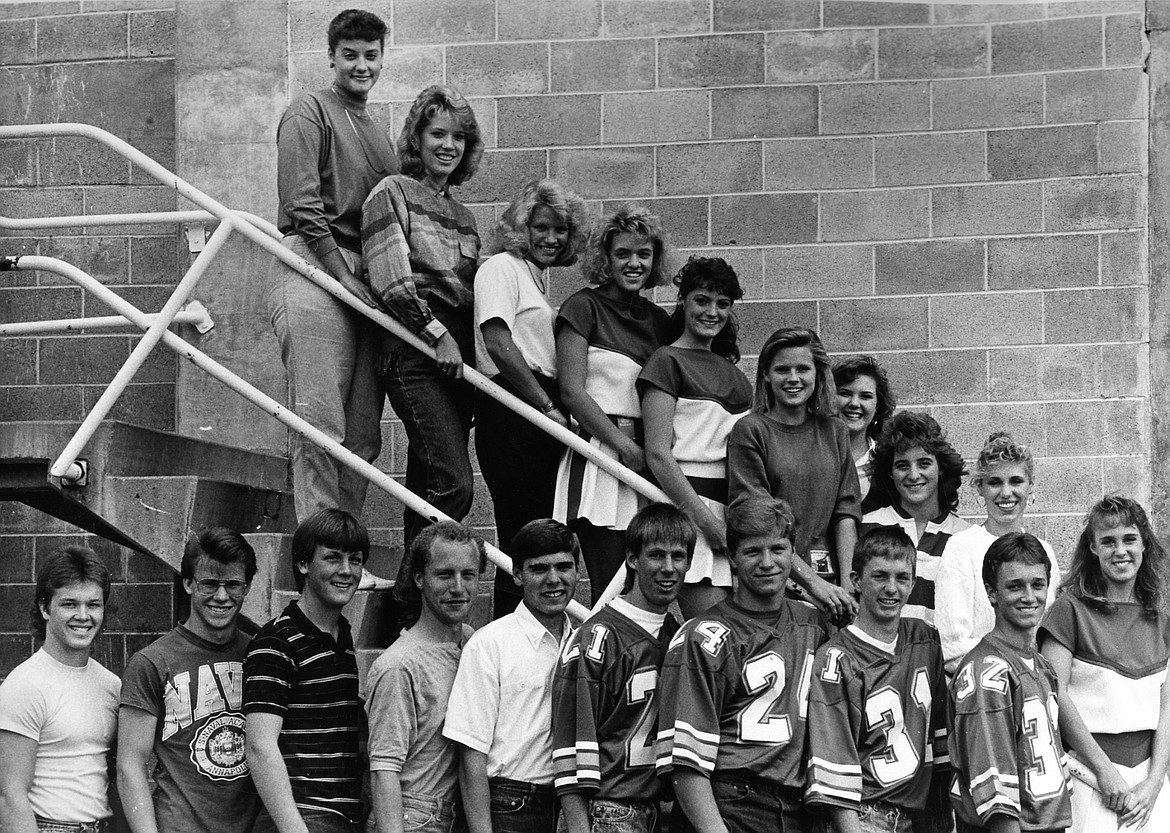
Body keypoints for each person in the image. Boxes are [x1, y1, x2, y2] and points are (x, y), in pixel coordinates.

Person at [270, 8, 395, 523]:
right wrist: (340, 276)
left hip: (369, 277)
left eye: (370, 55)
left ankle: (348, 550)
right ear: (331, 57)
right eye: (350, 56)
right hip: (315, 267)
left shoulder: (379, 131)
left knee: (363, 435)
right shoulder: (310, 111)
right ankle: (321, 549)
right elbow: (302, 204)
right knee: (321, 423)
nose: (360, 66)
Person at [657, 497, 830, 833]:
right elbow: (686, 762)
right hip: (731, 801)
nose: (767, 562)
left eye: (778, 549)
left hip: (798, 807)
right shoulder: (704, 636)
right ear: (733, 558)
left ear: (793, 553)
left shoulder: (814, 624)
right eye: (753, 551)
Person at [363, 84, 484, 552]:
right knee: (454, 484)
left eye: (458, 137)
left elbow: (471, 294)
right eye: (437, 133)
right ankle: (416, 595)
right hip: (417, 347)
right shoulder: (390, 192)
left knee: (425, 488)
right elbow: (392, 281)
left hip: (456, 358)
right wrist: (436, 334)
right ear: (417, 139)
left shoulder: (465, 217)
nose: (448, 146)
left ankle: (410, 611)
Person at [473, 179, 589, 617]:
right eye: (541, 227)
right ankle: (508, 629)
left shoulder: (534, 278)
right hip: (514, 408)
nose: (551, 238)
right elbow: (498, 341)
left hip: (536, 410)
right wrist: (545, 406)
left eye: (560, 230)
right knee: (523, 536)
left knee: (541, 531)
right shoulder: (501, 266)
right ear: (521, 227)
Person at [553, 204, 673, 605]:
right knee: (611, 581)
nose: (634, 263)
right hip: (603, 453)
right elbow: (571, 392)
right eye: (623, 254)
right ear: (605, 258)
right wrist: (623, 448)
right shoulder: (583, 306)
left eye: (643, 254)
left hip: (651, 454)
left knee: (648, 584)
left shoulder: (660, 321)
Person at [552, 503, 696, 833]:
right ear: (632, 559)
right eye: (656, 555)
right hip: (608, 810)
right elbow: (570, 748)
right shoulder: (596, 638)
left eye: (679, 557)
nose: (669, 568)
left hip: (659, 811)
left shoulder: (678, 634)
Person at [1038, 496, 1170, 833]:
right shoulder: (1068, 610)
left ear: (1144, 544)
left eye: (1129, 539)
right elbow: (1055, 694)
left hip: (1148, 789)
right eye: (1108, 542)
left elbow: (1168, 707)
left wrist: (1154, 783)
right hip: (1092, 781)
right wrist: (1104, 770)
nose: (1120, 551)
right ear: (1093, 549)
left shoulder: (1161, 620)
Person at [806, 527, 949, 833]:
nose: (891, 588)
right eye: (880, 576)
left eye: (902, 578)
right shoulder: (836, 658)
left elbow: (940, 744)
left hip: (916, 817)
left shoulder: (925, 639)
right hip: (862, 815)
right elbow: (834, 768)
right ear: (856, 581)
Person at [118, 528, 260, 833]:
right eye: (209, 584)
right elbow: (130, 765)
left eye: (233, 584)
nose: (221, 596)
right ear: (187, 583)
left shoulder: (262, 656)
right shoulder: (151, 662)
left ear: (247, 588)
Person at [444, 519, 580, 833]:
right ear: (517, 575)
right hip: (509, 805)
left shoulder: (583, 643)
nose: (554, 579)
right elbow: (471, 754)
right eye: (539, 569)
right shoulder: (490, 644)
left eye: (564, 567)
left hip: (566, 803)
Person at [637, 256, 752, 620]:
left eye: (722, 304)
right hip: (690, 510)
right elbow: (657, 454)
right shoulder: (666, 361)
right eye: (702, 300)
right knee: (713, 631)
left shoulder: (736, 376)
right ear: (683, 301)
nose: (712, 312)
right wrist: (705, 522)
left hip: (730, 513)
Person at [244, 509, 369, 833]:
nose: (346, 571)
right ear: (303, 564)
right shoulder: (277, 641)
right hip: (300, 820)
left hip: (341, 820)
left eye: (355, 560)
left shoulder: (341, 634)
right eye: (332, 558)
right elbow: (260, 746)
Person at [727, 326, 861, 618]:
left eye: (803, 369)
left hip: (832, 586)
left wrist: (848, 584)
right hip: (774, 580)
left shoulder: (834, 430)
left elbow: (845, 511)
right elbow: (757, 519)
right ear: (765, 374)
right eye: (782, 370)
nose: (793, 379)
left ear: (817, 373)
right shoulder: (750, 431)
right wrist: (811, 584)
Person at [948, 532, 1072, 833]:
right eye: (1015, 586)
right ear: (992, 593)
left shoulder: (1040, 664)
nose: (1029, 597)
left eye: (1037, 585)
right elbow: (995, 798)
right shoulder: (987, 673)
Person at [366, 521, 485, 833]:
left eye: (468, 574)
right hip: (412, 817)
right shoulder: (400, 665)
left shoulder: (472, 644)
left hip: (454, 814)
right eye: (445, 574)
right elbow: (383, 770)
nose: (458, 587)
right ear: (419, 578)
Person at [0, 547, 120, 833]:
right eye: (69, 604)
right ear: (44, 608)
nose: (83, 615)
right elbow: (9, 797)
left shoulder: (111, 684)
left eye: (93, 604)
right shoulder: (25, 685)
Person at [935, 433, 1060, 675]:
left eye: (1016, 481)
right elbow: (951, 648)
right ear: (980, 488)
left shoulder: (1045, 551)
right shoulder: (962, 547)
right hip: (986, 688)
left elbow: (1048, 635)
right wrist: (1017, 671)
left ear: (1030, 485)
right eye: (994, 482)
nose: (1006, 493)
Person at [861, 411, 970, 626]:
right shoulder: (867, 525)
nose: (913, 475)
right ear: (890, 472)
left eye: (924, 463)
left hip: (941, 656)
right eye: (902, 465)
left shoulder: (964, 536)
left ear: (940, 468)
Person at [834, 355, 896, 512]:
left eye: (865, 396)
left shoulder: (888, 463)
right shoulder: (812, 456)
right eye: (845, 393)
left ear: (877, 406)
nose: (854, 403)